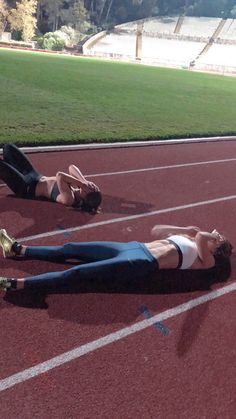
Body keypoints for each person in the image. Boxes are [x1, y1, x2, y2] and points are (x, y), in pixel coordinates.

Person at [0, 225, 232, 292]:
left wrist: (209, 235)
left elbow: (202, 236)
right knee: (70, 248)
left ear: (217, 247)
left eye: (218, 237)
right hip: (132, 246)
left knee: (76, 273)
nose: (213, 234)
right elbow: (155, 230)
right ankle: (18, 249)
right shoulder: (193, 239)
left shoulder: (206, 261)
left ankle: (16, 285)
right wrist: (184, 228)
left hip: (140, 262)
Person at [0, 144, 102, 213]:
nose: (92, 185)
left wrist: (81, 183)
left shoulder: (69, 199)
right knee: (8, 148)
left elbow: (60, 175)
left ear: (85, 195)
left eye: (92, 189)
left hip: (26, 188)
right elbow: (72, 167)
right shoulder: (78, 185)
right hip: (34, 175)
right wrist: (83, 180)